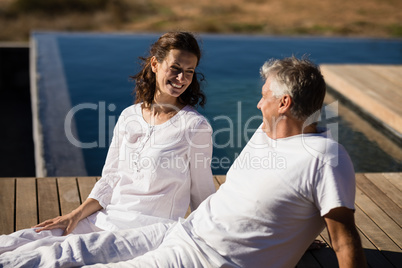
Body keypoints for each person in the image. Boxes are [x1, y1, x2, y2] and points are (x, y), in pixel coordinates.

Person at [0, 56, 367, 268]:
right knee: (69, 250)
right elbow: (264, 199)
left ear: (284, 103)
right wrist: (295, 234)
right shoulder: (266, 135)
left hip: (205, 258)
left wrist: (298, 236)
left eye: (264, 96)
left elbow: (345, 242)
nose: (258, 103)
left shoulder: (325, 158)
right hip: (182, 230)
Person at [0, 31, 215, 255]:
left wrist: (206, 246)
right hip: (105, 218)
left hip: (146, 233)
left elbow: (202, 193)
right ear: (155, 64)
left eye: (189, 72)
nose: (182, 78)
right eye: (176, 68)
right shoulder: (129, 116)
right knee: (26, 239)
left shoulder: (195, 127)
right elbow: (111, 178)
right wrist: (76, 214)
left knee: (52, 256)